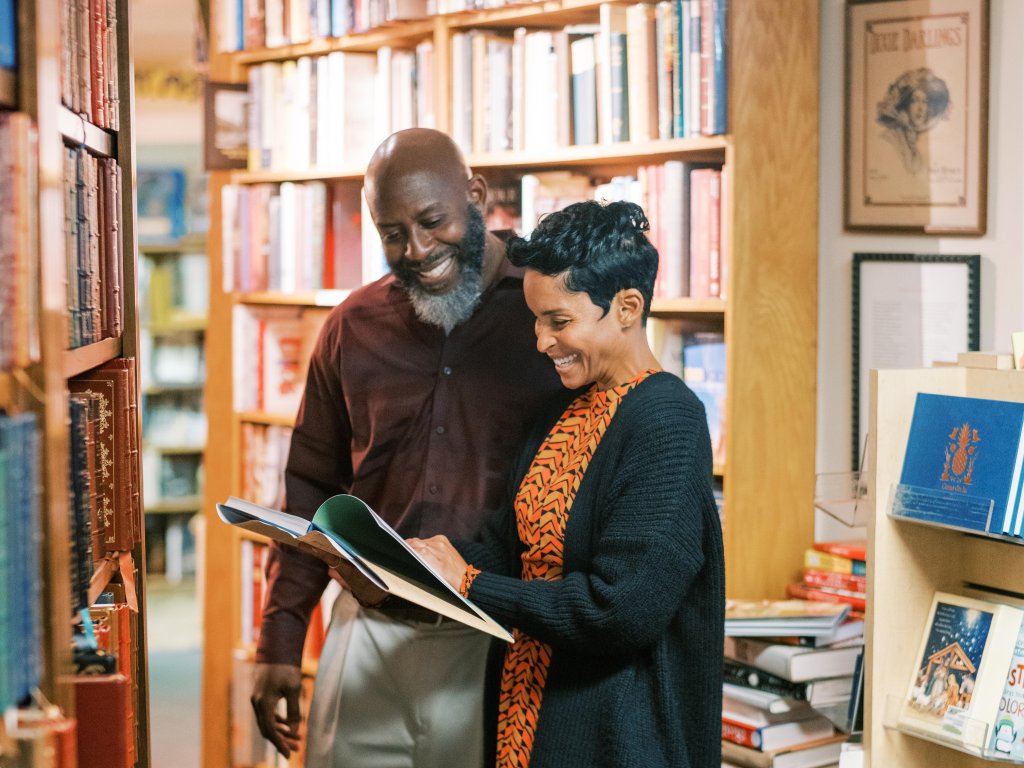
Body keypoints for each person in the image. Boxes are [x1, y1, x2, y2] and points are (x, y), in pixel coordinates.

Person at [250, 127, 563, 768]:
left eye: (432, 221)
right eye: (392, 232)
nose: (416, 249)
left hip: (496, 643)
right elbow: (312, 486)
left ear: (474, 195)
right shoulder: (352, 328)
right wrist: (280, 640)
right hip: (366, 634)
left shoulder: (550, 316)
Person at [410, 200, 726, 768]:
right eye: (536, 319)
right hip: (524, 718)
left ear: (627, 308)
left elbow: (622, 609)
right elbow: (517, 557)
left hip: (615, 742)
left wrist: (470, 584)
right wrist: (420, 562)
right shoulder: (557, 412)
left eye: (559, 321)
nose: (541, 341)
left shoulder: (668, 420)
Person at [876, 67, 950, 174]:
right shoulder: (890, 139)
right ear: (905, 105)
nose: (920, 108)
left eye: (924, 101)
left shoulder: (914, 140)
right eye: (915, 100)